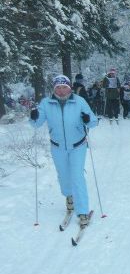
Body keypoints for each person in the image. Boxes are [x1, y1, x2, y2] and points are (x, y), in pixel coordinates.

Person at [29, 75, 98, 227]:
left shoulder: (79, 101)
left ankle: (82, 211)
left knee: (77, 176)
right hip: (57, 147)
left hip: (78, 146)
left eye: (64, 87)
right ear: (54, 89)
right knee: (64, 176)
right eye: (58, 88)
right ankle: (69, 197)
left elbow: (94, 121)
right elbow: (36, 123)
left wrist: (87, 119)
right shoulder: (46, 103)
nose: (61, 90)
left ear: (69, 87)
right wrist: (33, 116)